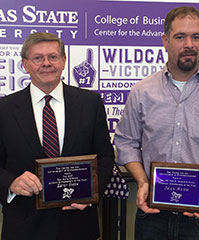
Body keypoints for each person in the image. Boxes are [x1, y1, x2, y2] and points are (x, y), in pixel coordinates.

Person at [114, 6, 199, 240]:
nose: (189, 44)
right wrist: (142, 181)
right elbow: (126, 142)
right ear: (165, 40)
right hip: (152, 215)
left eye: (196, 36)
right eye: (180, 37)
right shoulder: (142, 92)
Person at [0, 32, 114, 240]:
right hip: (24, 227)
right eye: (38, 58)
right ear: (25, 64)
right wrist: (10, 182)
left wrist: (92, 193)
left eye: (53, 57)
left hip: (78, 225)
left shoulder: (90, 104)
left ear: (63, 61)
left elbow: (105, 157)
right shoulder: (4, 109)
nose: (46, 63)